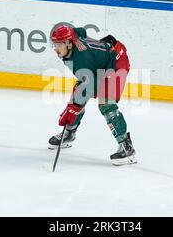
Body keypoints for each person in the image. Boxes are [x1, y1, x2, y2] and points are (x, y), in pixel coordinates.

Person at [48, 24, 136, 166]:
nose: (56, 49)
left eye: (59, 45)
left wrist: (73, 109)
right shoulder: (70, 46)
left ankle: (127, 147)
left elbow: (90, 86)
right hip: (98, 64)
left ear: (69, 43)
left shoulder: (81, 58)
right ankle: (69, 133)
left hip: (116, 61)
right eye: (54, 44)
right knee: (76, 97)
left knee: (106, 105)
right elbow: (80, 31)